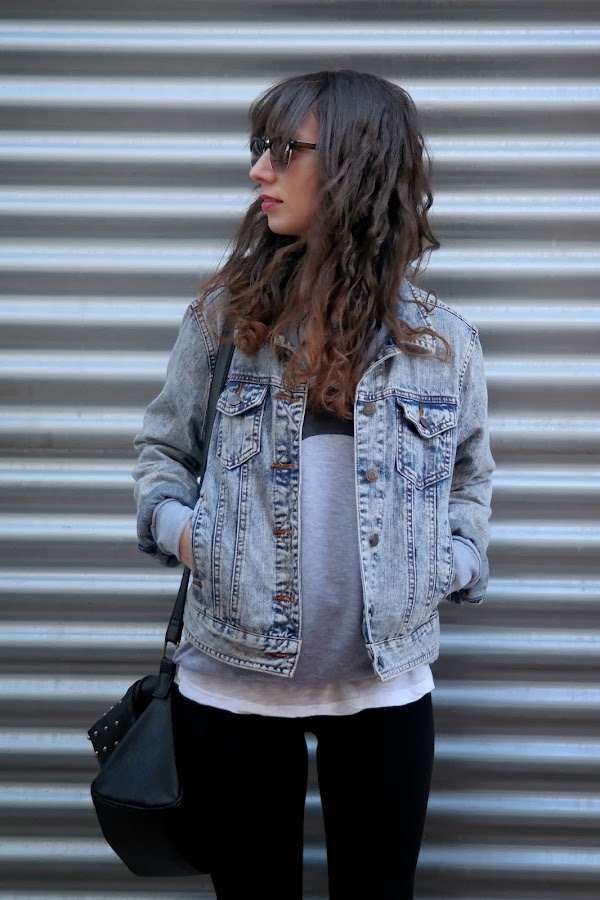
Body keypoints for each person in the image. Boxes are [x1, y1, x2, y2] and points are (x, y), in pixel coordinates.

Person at [133, 69, 494, 900]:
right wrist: (191, 538)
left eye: (283, 150)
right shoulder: (224, 321)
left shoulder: (445, 343)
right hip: (231, 685)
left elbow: (471, 480)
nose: (258, 169)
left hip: (386, 687)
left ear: (357, 170)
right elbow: (161, 452)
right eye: (260, 148)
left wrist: (451, 564)